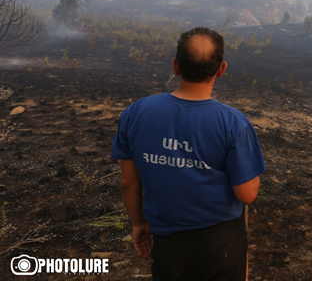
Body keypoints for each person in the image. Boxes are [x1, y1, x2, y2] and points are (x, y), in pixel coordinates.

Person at [111, 27, 266, 281]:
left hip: (167, 244)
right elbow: (246, 194)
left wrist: (138, 224)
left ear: (175, 66)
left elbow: (128, 182)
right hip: (220, 245)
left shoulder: (136, 113)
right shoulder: (234, 123)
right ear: (221, 70)